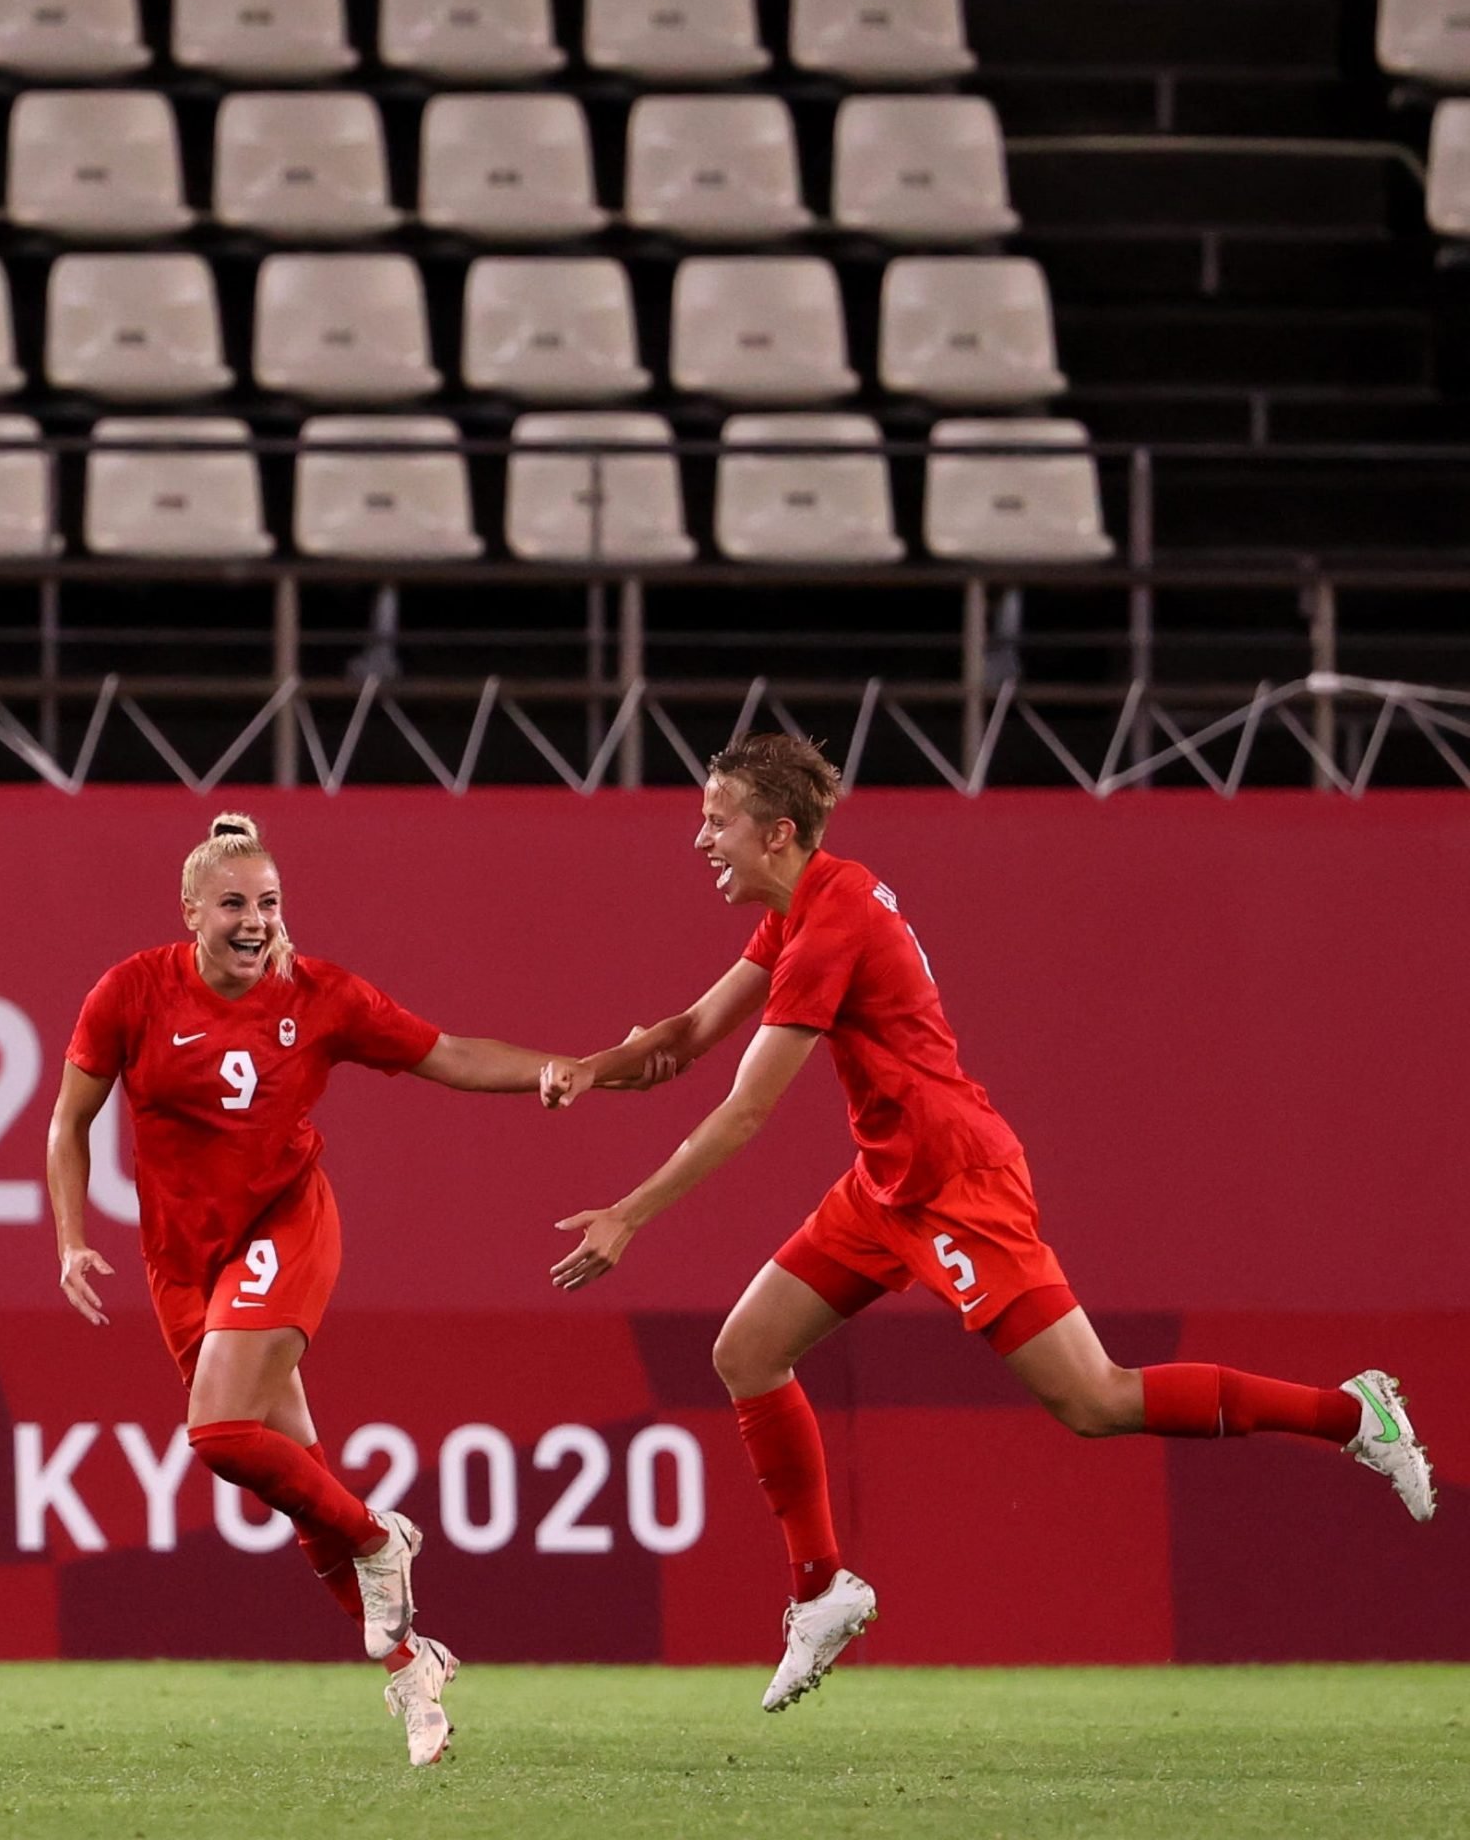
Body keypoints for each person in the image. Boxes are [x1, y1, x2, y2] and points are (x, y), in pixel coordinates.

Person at [541, 733, 1438, 1713]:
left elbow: (746, 1109)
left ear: (779, 832)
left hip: (956, 1183)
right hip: (885, 1184)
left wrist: (629, 1215)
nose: (700, 838)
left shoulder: (832, 922)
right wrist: (593, 1067)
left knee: (1096, 1400)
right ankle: (821, 1591)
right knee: (747, 1352)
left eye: (717, 820)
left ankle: (1356, 1415)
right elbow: (686, 1035)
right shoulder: (801, 909)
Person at [46, 812, 671, 1767]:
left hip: (285, 1224)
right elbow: (68, 1122)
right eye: (234, 905)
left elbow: (446, 1051)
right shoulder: (130, 992)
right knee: (291, 1477)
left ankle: (382, 1539)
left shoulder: (319, 996)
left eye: (269, 904)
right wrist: (70, 1239)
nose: (255, 922)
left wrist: (549, 1070)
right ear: (189, 913)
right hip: (182, 1260)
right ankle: (410, 1669)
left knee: (216, 1435)